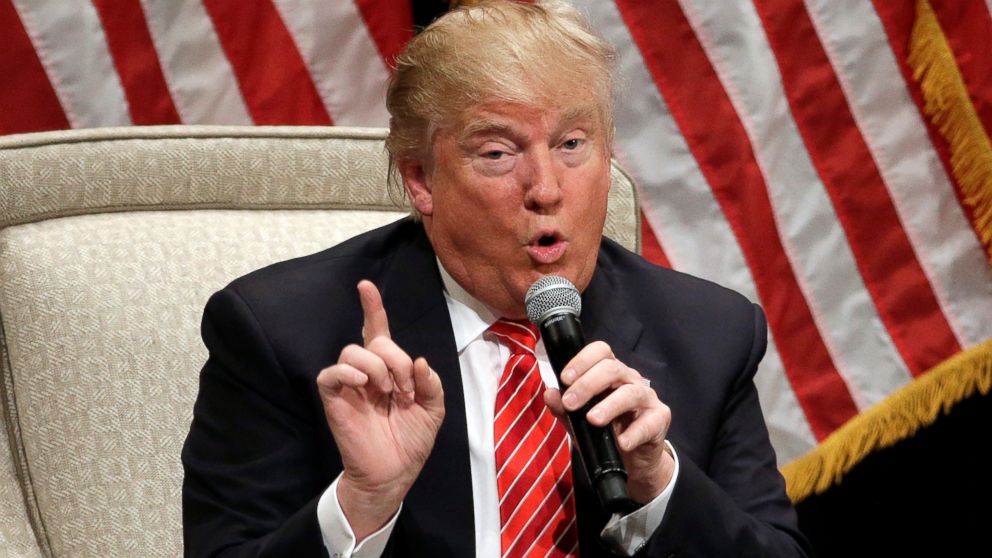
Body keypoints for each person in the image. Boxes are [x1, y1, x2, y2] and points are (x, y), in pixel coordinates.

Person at [182, 1, 812, 556]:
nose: (546, 189)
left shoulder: (710, 334)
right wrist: (360, 505)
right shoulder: (282, 332)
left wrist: (660, 486)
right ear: (423, 179)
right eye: (497, 154)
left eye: (571, 143)